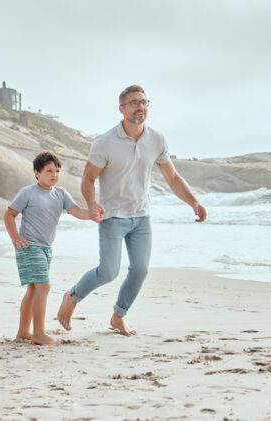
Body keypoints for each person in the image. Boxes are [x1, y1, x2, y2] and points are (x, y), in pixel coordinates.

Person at [56, 84, 207, 336]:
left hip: (141, 217)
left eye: (144, 102)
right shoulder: (105, 142)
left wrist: (194, 202)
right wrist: (93, 204)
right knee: (108, 272)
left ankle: (118, 316)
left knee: (140, 270)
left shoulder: (157, 139)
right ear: (122, 108)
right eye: (134, 102)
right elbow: (87, 179)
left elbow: (172, 178)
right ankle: (72, 296)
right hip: (112, 216)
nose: (141, 107)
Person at [4, 152, 92, 345]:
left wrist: (92, 214)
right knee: (44, 287)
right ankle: (39, 333)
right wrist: (15, 237)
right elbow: (9, 214)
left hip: (46, 248)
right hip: (29, 246)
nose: (54, 175)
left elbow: (76, 211)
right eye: (49, 171)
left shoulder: (60, 193)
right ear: (37, 173)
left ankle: (23, 332)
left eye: (57, 171)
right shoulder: (27, 192)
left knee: (33, 290)